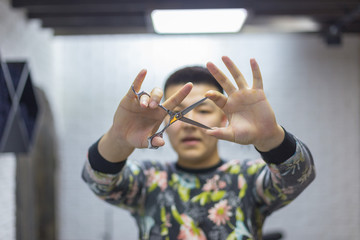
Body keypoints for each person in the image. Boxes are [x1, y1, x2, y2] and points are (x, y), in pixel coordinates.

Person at [82, 56, 315, 240]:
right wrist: (118, 138)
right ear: (164, 122)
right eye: (175, 114)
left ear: (224, 119)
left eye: (203, 111)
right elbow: (99, 181)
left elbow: (298, 177)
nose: (187, 124)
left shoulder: (249, 178)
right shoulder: (148, 179)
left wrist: (271, 136)